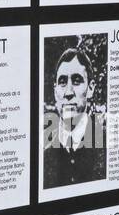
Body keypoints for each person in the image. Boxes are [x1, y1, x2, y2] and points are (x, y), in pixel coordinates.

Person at [43, 46, 105, 187]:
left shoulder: (107, 147)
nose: (68, 92)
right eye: (62, 82)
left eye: (77, 81)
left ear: (90, 88)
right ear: (55, 90)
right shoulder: (44, 157)